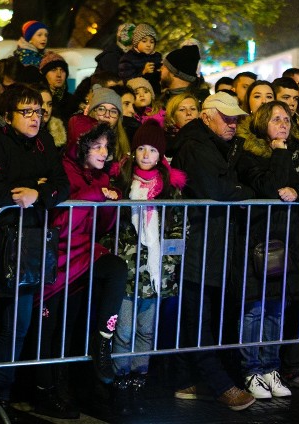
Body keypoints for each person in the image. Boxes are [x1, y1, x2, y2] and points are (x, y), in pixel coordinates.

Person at [0, 84, 69, 410]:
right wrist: (33, 189)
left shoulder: (45, 143)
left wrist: (38, 194)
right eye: (26, 112)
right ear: (9, 115)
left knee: (19, 326)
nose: (34, 118)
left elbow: (62, 185)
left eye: (38, 111)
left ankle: (2, 393)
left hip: (30, 244)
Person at [32, 114, 128, 418]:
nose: (103, 153)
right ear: (80, 145)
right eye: (96, 146)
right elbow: (60, 219)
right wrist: (92, 196)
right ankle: (47, 391)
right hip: (57, 258)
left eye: (106, 147)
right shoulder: (63, 170)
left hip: (84, 253)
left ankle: (103, 341)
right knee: (54, 330)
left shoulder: (100, 176)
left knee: (116, 268)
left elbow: (101, 226)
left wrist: (111, 204)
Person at [169, 92, 257, 411]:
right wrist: (241, 190)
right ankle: (221, 384)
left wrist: (237, 189)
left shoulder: (220, 146)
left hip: (213, 241)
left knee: (198, 315)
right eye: (227, 117)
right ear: (207, 116)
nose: (233, 123)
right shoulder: (196, 146)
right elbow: (216, 190)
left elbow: (231, 185)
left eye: (236, 118)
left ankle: (184, 378)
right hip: (196, 241)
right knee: (197, 317)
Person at [234, 101, 299, 399]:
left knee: (277, 307)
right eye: (276, 119)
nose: (284, 124)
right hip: (261, 243)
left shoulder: (298, 152)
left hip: (291, 243)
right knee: (255, 308)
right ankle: (251, 370)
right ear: (262, 124)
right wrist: (279, 152)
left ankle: (271, 368)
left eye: (287, 119)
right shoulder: (249, 155)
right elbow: (270, 186)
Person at [108, 120, 187, 407]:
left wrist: (169, 258)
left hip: (156, 273)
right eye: (141, 147)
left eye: (152, 150)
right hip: (127, 268)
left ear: (160, 155)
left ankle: (139, 376)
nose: (145, 154)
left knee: (146, 329)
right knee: (124, 328)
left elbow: (178, 225)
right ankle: (119, 376)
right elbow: (110, 224)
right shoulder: (121, 182)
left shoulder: (169, 188)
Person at [159, 40, 206, 105]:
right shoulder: (160, 101)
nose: (160, 69)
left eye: (164, 66)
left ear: (175, 73)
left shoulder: (201, 103)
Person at [118, 23, 161, 88]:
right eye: (144, 41)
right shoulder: (127, 59)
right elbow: (127, 81)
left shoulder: (157, 56)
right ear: (136, 42)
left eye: (152, 42)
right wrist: (143, 72)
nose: (148, 45)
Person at [38, 51, 74, 122]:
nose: (59, 75)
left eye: (62, 70)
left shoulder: (72, 101)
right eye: (53, 70)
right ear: (44, 74)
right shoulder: (37, 97)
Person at [163, 92, 199, 157]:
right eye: (182, 110)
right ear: (172, 115)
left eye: (193, 109)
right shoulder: (164, 140)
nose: (188, 113)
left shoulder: (207, 135)